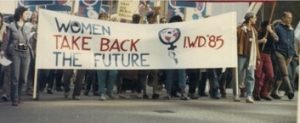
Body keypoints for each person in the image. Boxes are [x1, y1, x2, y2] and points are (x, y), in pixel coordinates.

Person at [0, 7, 33, 106]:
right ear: (20, 14)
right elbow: (6, 40)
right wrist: (3, 50)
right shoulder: (11, 26)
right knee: (15, 76)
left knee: (23, 78)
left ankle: (19, 95)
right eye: (26, 14)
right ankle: (15, 98)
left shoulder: (28, 27)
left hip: (25, 52)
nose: (28, 15)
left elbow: (29, 41)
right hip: (15, 52)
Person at [236, 12, 260, 103]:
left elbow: (256, 45)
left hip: (251, 56)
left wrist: (258, 57)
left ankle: (249, 95)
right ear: (250, 18)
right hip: (241, 55)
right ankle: (237, 93)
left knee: (251, 76)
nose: (255, 19)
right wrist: (240, 29)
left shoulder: (254, 30)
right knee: (239, 75)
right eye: (254, 18)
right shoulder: (241, 29)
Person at [271, 11, 296, 100]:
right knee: (285, 73)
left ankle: (274, 91)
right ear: (283, 18)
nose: (290, 19)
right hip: (279, 53)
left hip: (289, 54)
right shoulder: (277, 28)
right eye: (288, 17)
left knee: (280, 74)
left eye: (291, 18)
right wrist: (275, 51)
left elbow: (292, 43)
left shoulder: (291, 29)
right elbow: (274, 40)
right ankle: (290, 90)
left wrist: (293, 54)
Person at [253, 20, 278, 101]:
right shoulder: (259, 32)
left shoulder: (271, 33)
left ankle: (264, 93)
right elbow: (253, 42)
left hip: (268, 55)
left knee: (270, 74)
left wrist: (270, 31)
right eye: (268, 26)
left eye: (271, 26)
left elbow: (276, 39)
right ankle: (256, 93)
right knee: (258, 75)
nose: (270, 27)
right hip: (259, 54)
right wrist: (261, 41)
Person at [97, 13, 118, 101]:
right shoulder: (95, 28)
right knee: (102, 74)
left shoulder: (112, 28)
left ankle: (109, 91)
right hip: (100, 55)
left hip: (111, 55)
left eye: (105, 18)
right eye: (102, 18)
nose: (104, 19)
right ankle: (102, 92)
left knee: (113, 72)